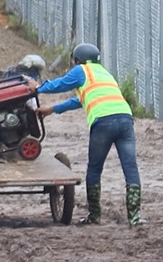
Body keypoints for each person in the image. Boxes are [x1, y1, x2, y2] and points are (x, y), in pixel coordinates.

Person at [37, 41, 142, 227]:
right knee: (130, 168)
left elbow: (60, 85)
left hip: (103, 122)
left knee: (94, 169)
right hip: (126, 120)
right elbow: (79, 100)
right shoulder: (105, 74)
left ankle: (94, 215)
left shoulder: (81, 71)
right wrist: (52, 109)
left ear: (78, 60)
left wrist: (37, 88)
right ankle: (134, 217)